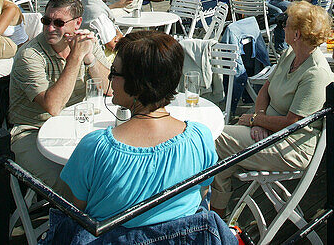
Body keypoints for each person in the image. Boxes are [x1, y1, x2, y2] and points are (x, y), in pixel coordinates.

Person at [58, 31, 216, 227]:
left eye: (114, 72)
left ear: (138, 85)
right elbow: (202, 192)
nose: (109, 77)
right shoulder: (200, 138)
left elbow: (78, 207)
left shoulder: (95, 148)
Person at [211, 2, 334, 215]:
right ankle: (215, 215)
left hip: (292, 147)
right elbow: (265, 89)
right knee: (222, 154)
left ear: (296, 34)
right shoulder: (291, 54)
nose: (282, 29)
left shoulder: (315, 73)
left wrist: (255, 121)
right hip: (271, 132)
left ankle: (203, 213)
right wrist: (259, 117)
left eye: (285, 25)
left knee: (214, 138)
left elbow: (293, 123)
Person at [9, 0, 110, 188]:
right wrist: (75, 58)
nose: (50, 28)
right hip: (31, 132)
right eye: (46, 21)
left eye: (58, 23)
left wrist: (90, 59)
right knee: (73, 184)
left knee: (112, 169)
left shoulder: (86, 42)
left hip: (78, 126)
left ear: (77, 23)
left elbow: (109, 90)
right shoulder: (29, 55)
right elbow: (53, 107)